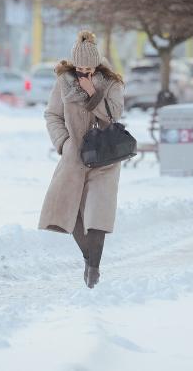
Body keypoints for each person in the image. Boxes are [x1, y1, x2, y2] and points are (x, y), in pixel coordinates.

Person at [39, 31, 125, 288]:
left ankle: (93, 270)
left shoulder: (111, 83)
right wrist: (64, 143)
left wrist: (92, 94)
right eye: (79, 68)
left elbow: (113, 116)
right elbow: (52, 115)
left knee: (97, 214)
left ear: (97, 64)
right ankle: (89, 258)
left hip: (104, 156)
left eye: (88, 68)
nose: (83, 73)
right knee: (69, 210)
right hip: (73, 156)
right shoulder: (64, 81)